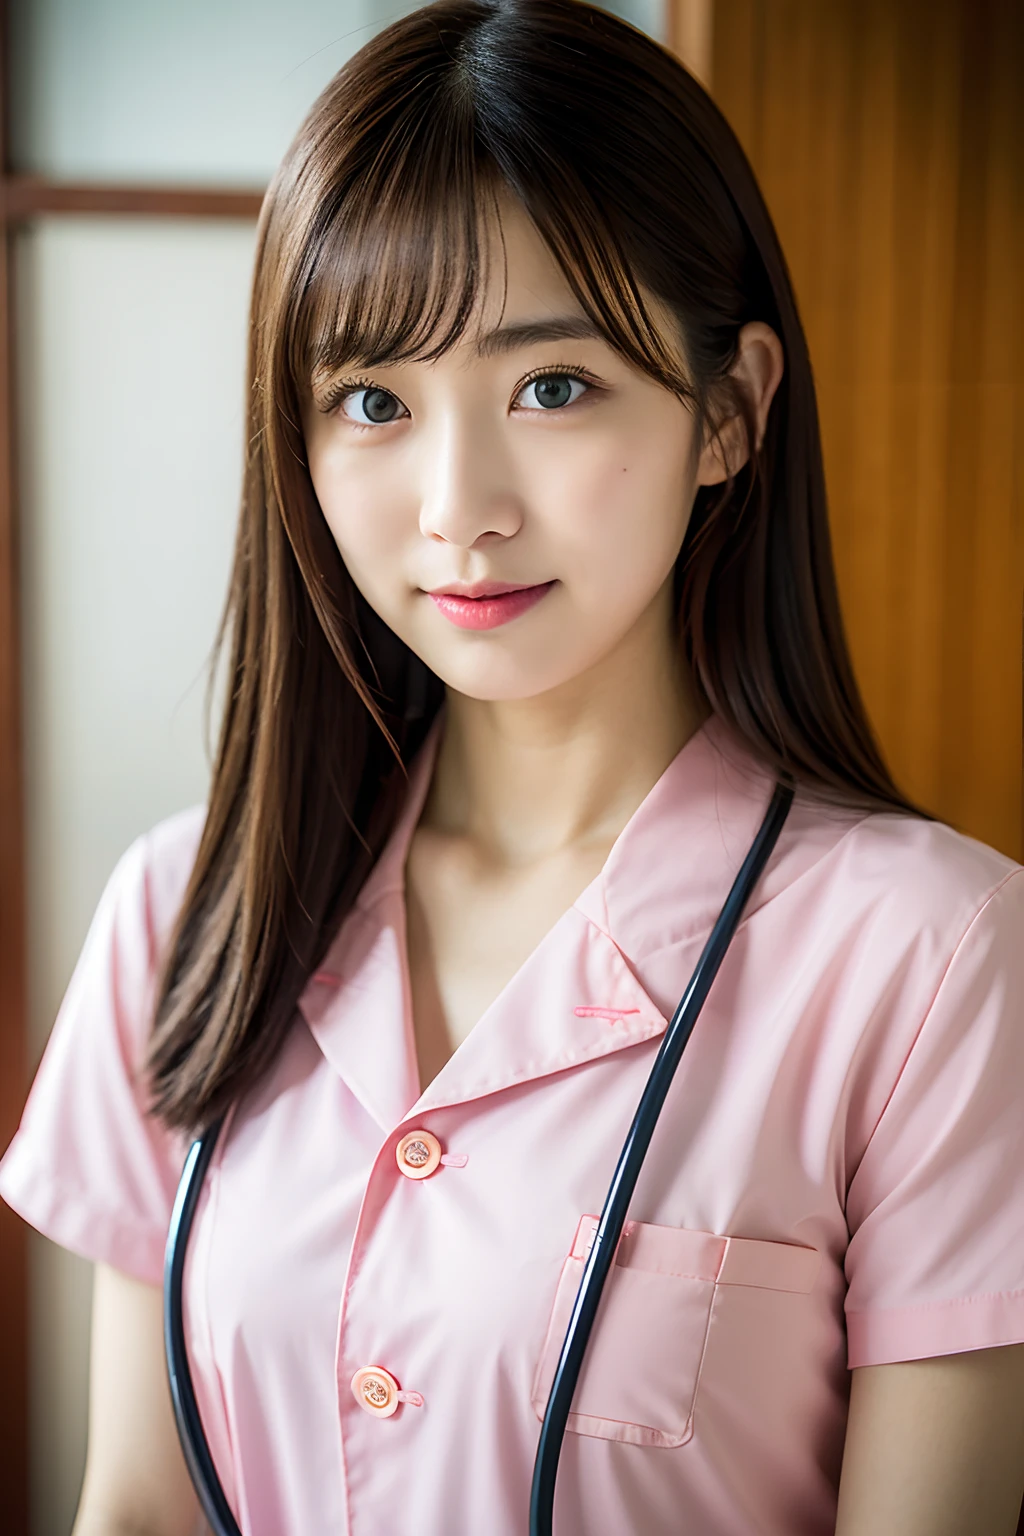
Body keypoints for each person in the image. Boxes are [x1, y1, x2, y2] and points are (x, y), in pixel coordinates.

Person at [3, 1, 1024, 1532]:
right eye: (374, 404)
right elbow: (134, 1511)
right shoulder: (183, 909)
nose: (459, 506)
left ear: (730, 411)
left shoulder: (930, 955)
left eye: (551, 387)